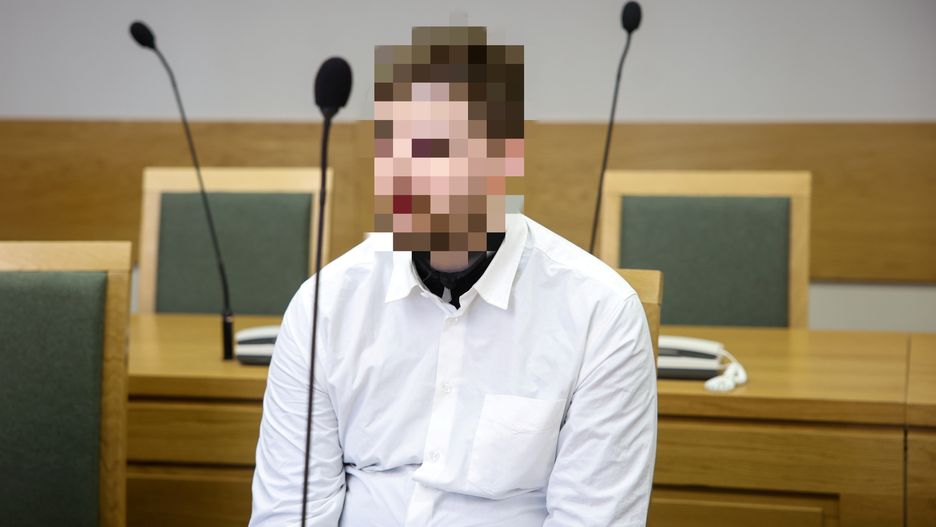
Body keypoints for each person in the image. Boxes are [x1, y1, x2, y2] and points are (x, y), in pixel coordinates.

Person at [250, 26, 657, 527]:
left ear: (506, 158)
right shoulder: (325, 305)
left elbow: (592, 517)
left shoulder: (600, 313)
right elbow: (289, 511)